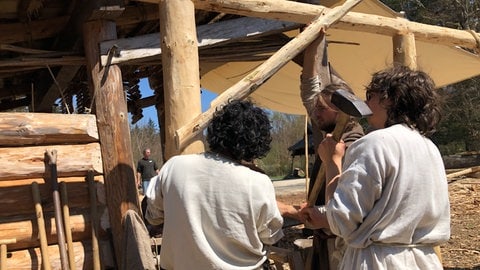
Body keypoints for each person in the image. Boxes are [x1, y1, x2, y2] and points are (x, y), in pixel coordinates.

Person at [300, 66, 451, 269]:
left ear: (389, 99)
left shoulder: (374, 143)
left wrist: (332, 162)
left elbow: (341, 220)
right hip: (423, 260)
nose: (366, 103)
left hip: (378, 261)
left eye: (370, 95)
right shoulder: (429, 147)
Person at [145, 100, 284, 270]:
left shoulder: (174, 166)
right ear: (256, 143)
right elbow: (270, 235)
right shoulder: (257, 181)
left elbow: (152, 215)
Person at [278, 28, 365, 270]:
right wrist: (314, 38)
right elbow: (310, 90)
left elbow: (348, 205)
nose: (315, 113)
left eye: (322, 109)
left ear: (340, 111)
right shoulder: (328, 134)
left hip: (346, 244)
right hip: (327, 237)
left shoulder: (356, 145)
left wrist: (321, 214)